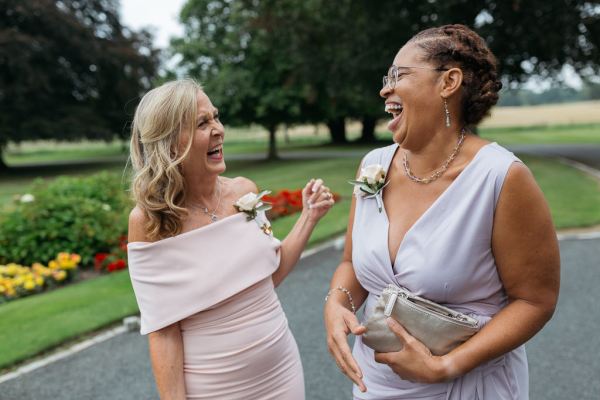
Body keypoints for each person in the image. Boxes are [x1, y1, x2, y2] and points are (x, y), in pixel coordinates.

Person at [324, 24, 560, 399]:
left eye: (398, 75)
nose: (385, 89)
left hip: (466, 385)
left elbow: (535, 301)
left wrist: (447, 366)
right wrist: (336, 304)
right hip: (376, 385)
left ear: (448, 82)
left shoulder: (501, 177)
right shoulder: (374, 165)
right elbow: (352, 263)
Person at [126, 79, 335, 400]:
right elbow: (163, 331)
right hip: (215, 388)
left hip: (282, 370)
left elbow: (270, 275)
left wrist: (308, 216)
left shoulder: (244, 192)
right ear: (169, 143)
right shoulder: (151, 221)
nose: (218, 129)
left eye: (216, 117)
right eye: (202, 123)